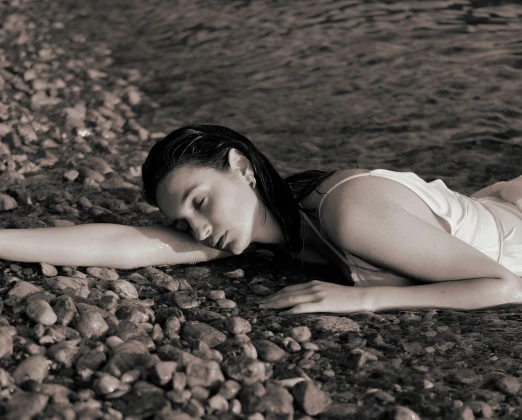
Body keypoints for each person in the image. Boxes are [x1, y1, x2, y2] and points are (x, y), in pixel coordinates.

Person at [1, 123, 522, 314]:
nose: (198, 231)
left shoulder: (347, 211)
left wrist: (361, 298)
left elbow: (505, 286)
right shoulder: (264, 230)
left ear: (242, 168)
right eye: (184, 223)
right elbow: (122, 246)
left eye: (200, 202)